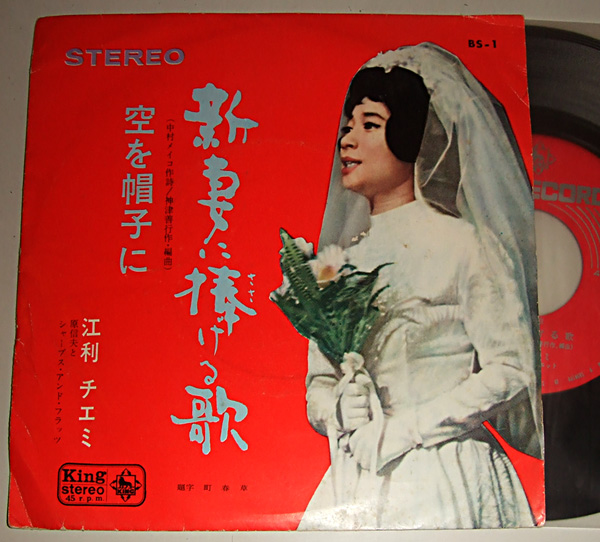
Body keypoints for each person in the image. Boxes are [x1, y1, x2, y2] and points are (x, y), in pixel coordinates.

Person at [298, 43, 543, 530]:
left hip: (448, 471)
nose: (348, 139)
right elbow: (318, 386)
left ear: (412, 136)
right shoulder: (337, 264)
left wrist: (408, 429)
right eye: (348, 125)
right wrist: (338, 408)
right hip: (358, 479)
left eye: (370, 125)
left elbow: (511, 368)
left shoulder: (464, 245)